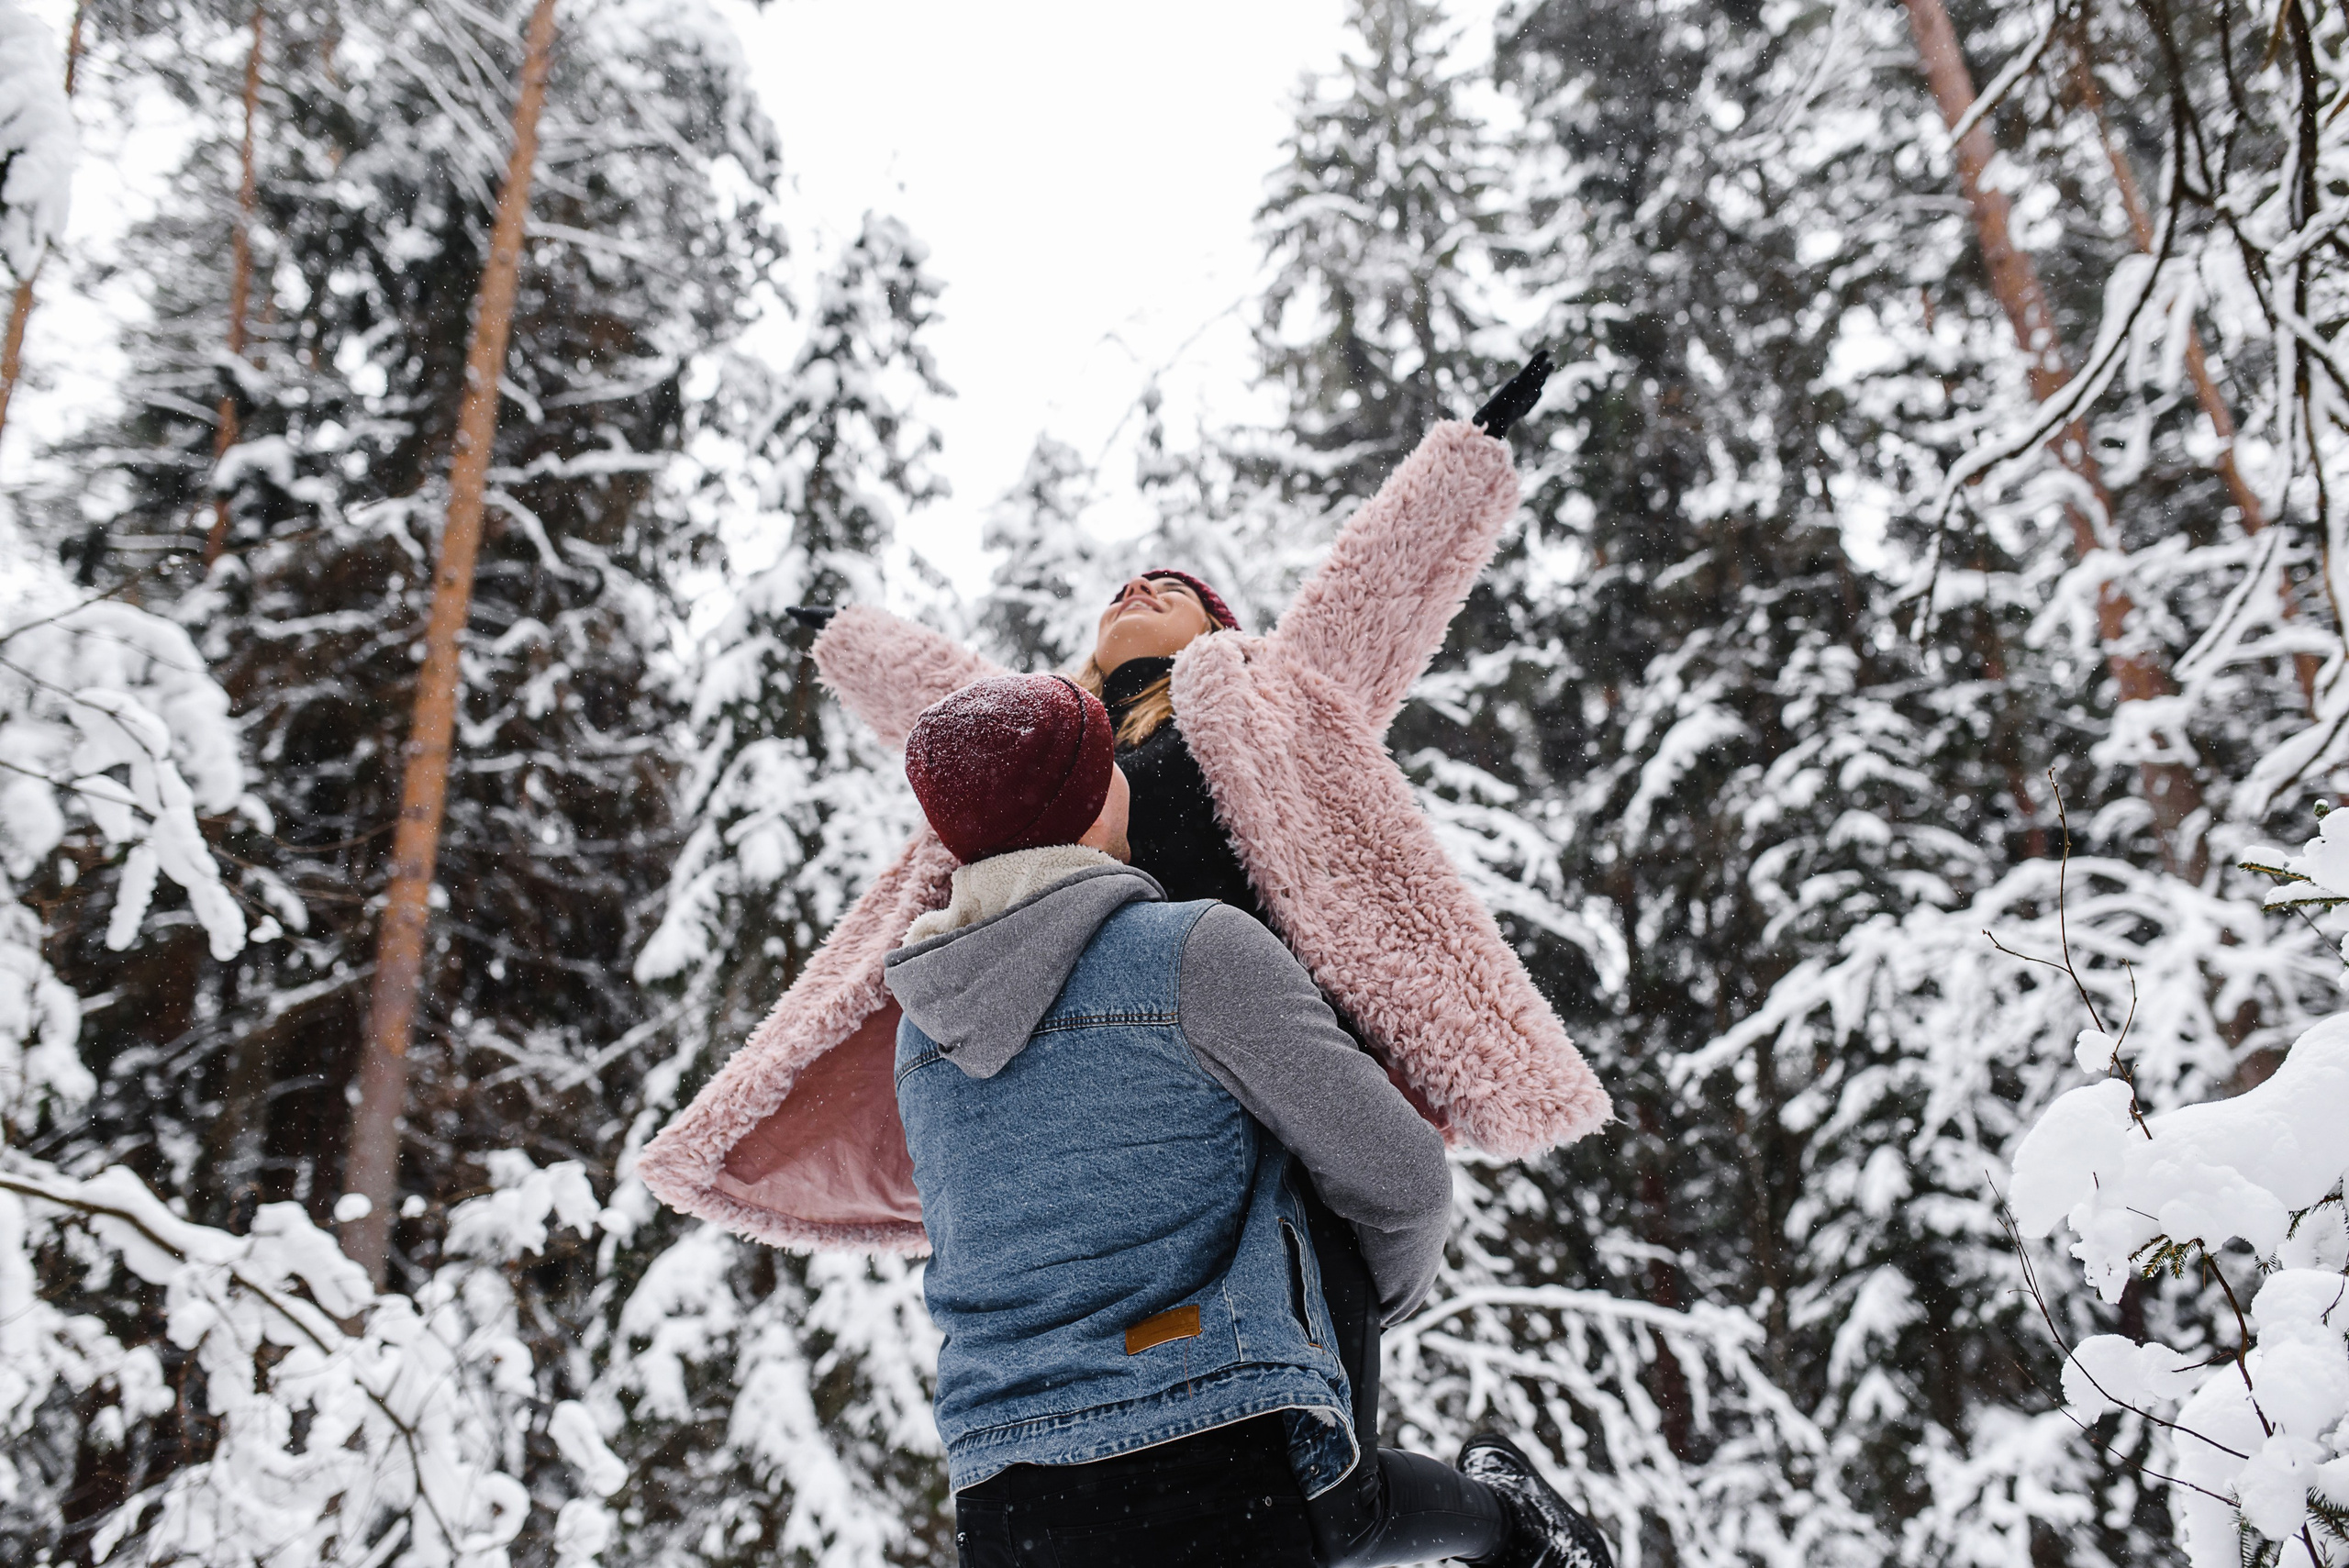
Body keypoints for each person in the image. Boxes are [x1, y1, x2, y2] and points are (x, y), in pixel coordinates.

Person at [887, 673, 1611, 1568]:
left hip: (1006, 1483)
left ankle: (1516, 1532)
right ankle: (1524, 1535)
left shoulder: (921, 1026)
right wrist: (1366, 1308)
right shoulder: (1190, 951)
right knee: (1348, 1502)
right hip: (1207, 1440)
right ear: (1094, 796)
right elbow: (1402, 1177)